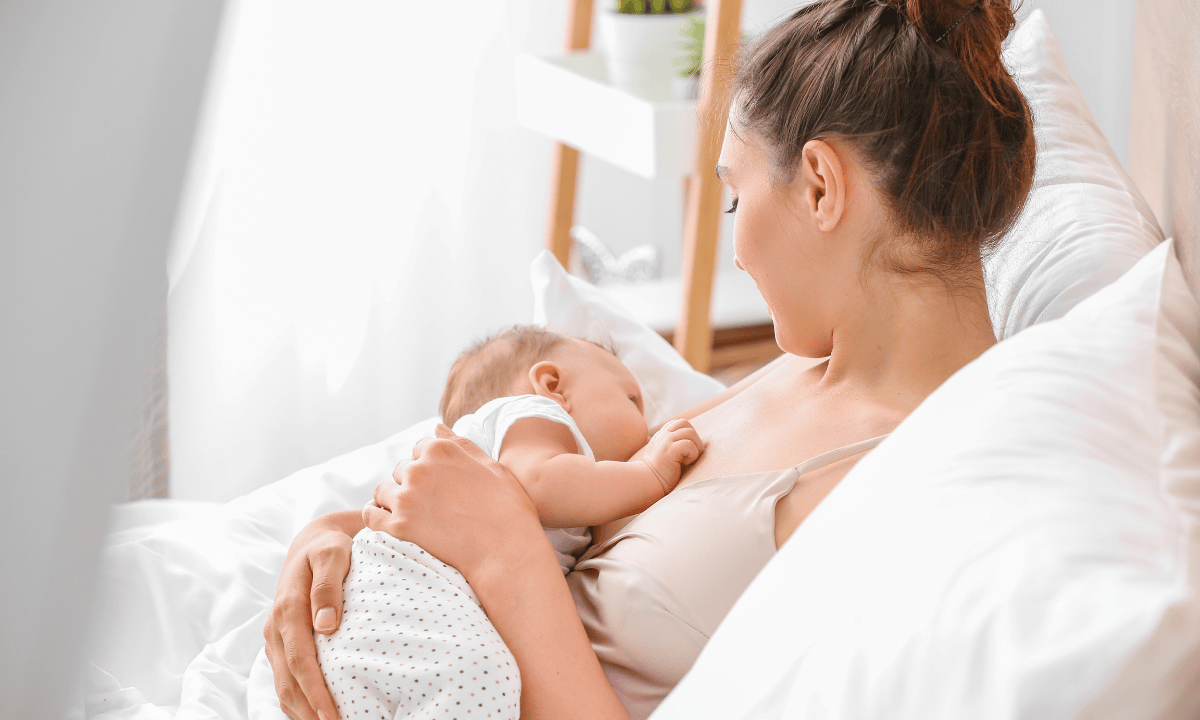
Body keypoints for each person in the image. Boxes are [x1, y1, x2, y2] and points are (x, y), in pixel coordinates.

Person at [263, 1, 1036, 718]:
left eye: (736, 198)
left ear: (822, 188)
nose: (735, 250)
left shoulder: (902, 482)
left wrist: (507, 557)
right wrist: (330, 539)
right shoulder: (799, 374)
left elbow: (518, 540)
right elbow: (557, 502)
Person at [314, 326, 703, 720]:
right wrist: (648, 472)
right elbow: (541, 484)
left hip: (383, 633)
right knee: (480, 676)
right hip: (408, 592)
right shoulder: (532, 414)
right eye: (632, 399)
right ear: (553, 386)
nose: (647, 422)